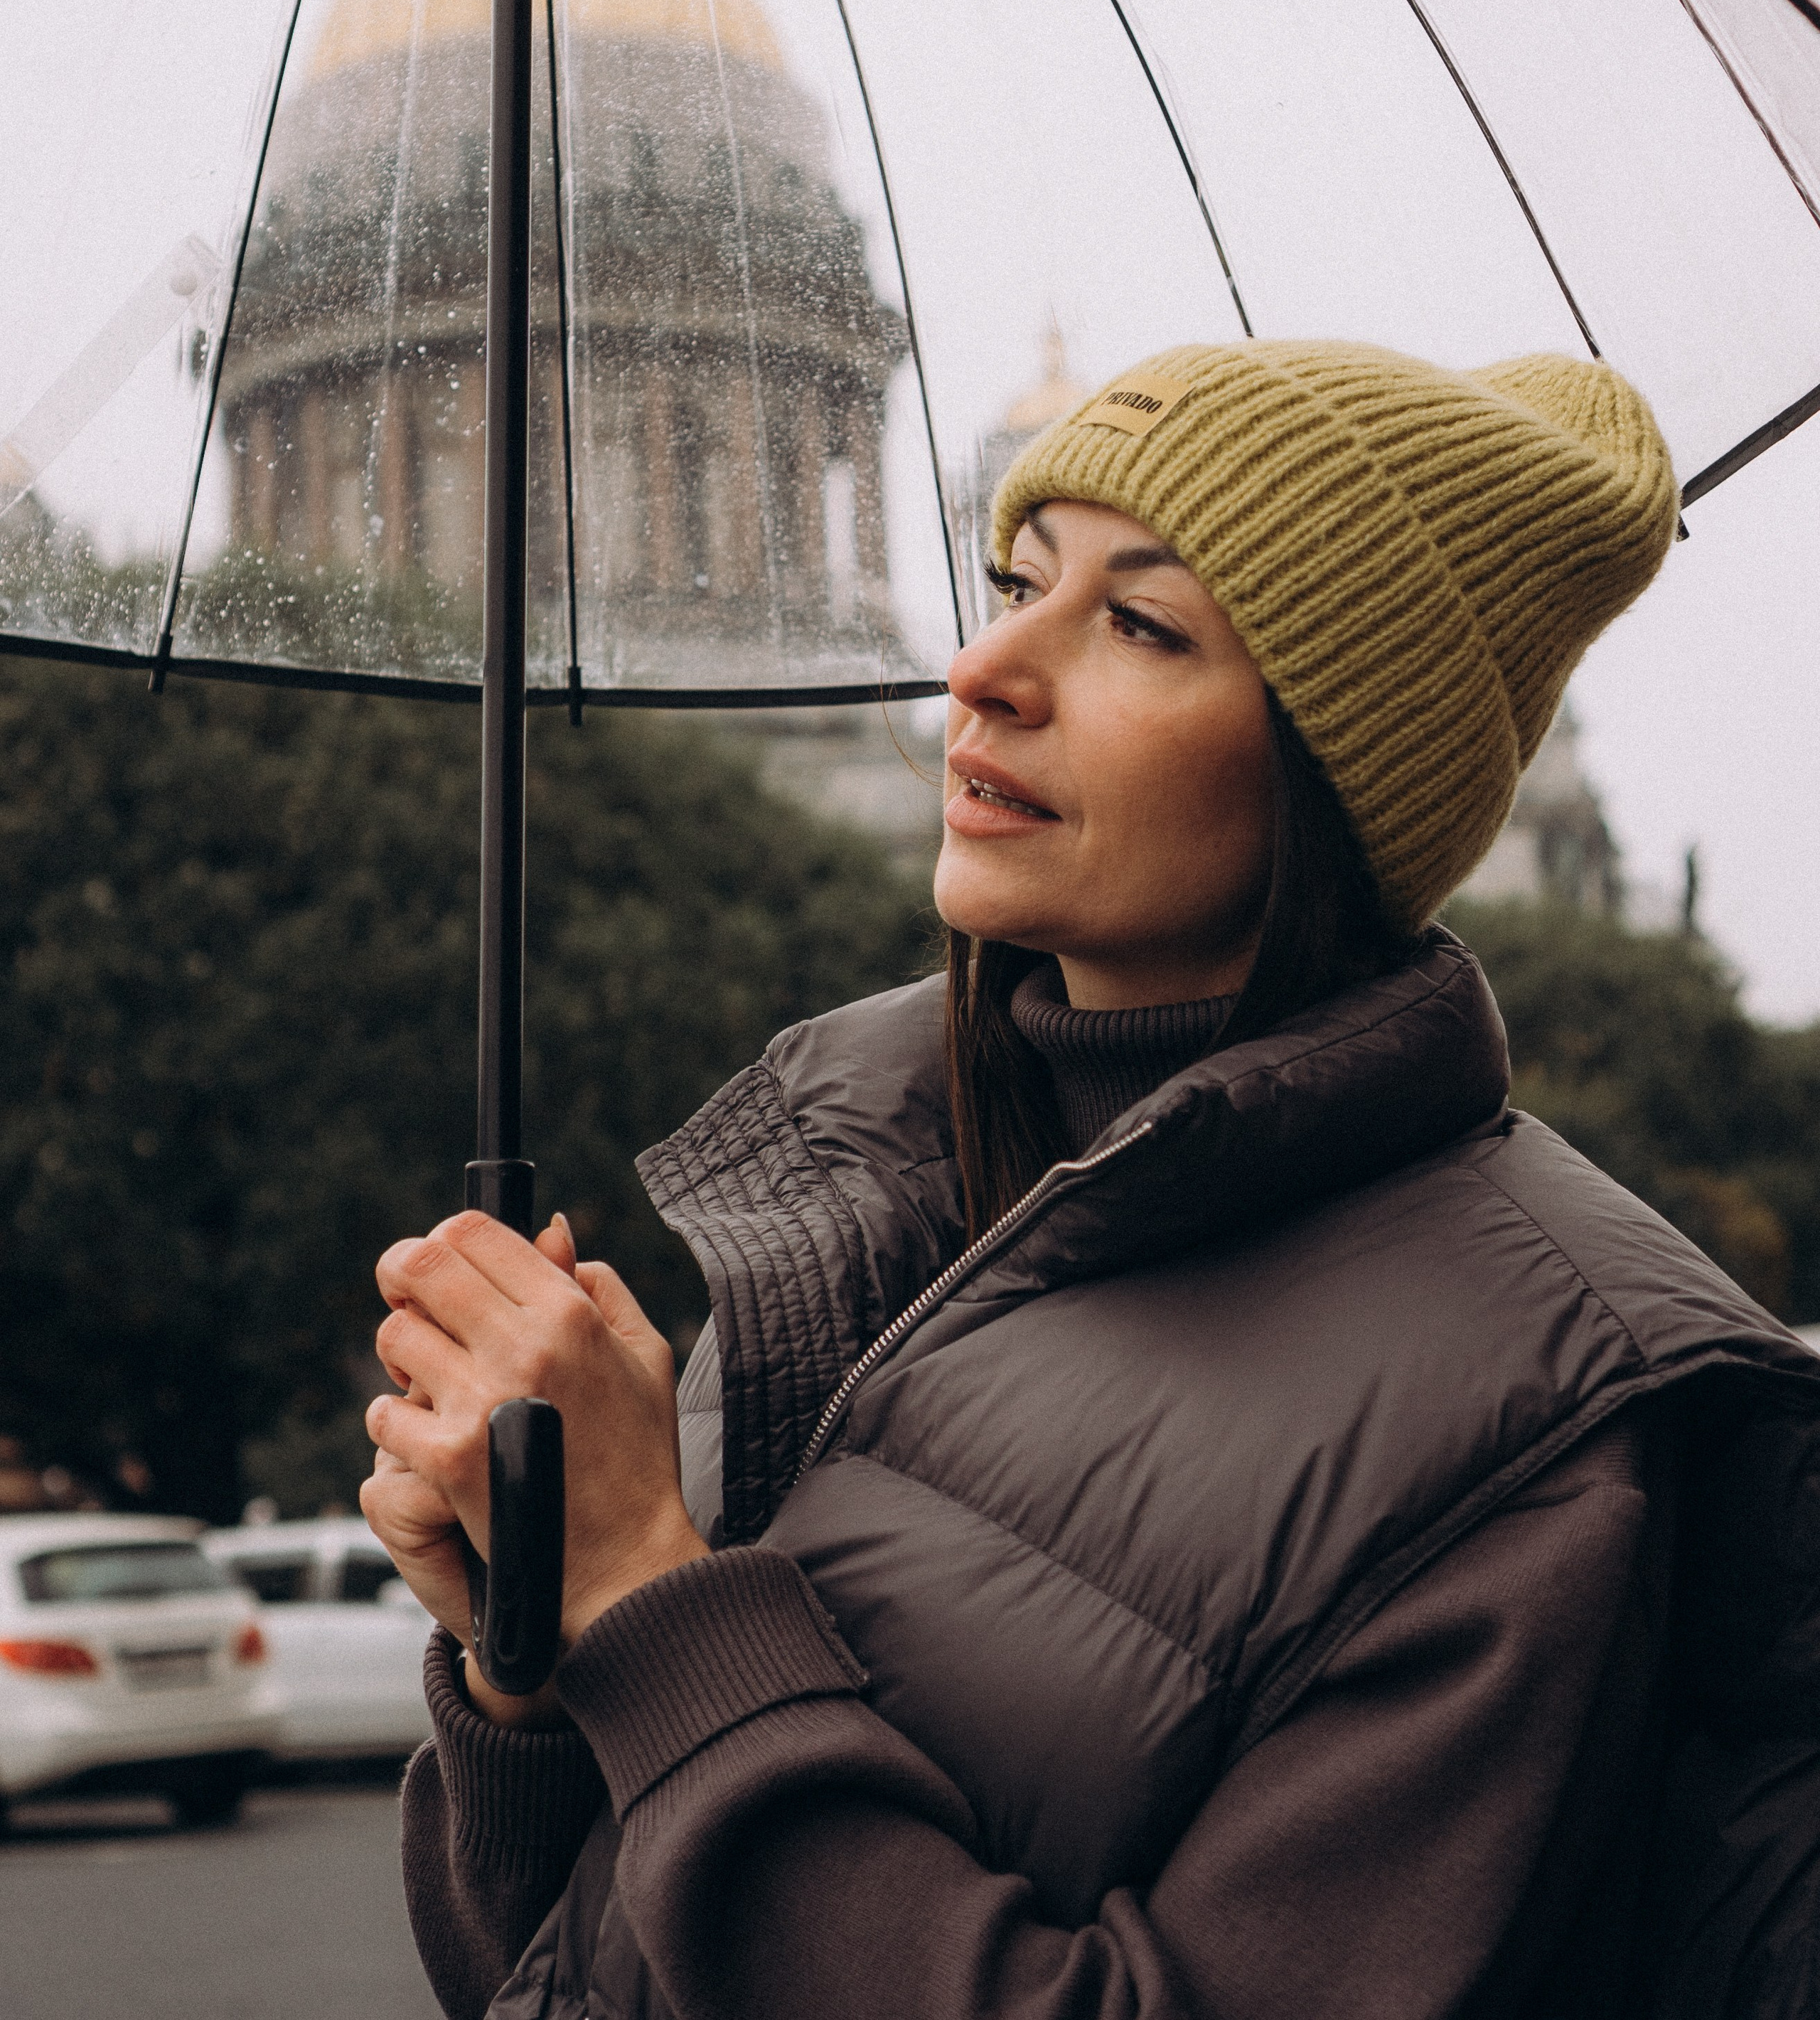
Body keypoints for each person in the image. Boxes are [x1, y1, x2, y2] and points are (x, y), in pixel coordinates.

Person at [363, 339, 1820, 2020]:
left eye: (1137, 623)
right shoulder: (869, 1198)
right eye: (1014, 580)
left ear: (1334, 776)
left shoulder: (1549, 1412)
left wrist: (646, 1591)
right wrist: (533, 1661)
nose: (983, 668)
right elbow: (560, 1977)